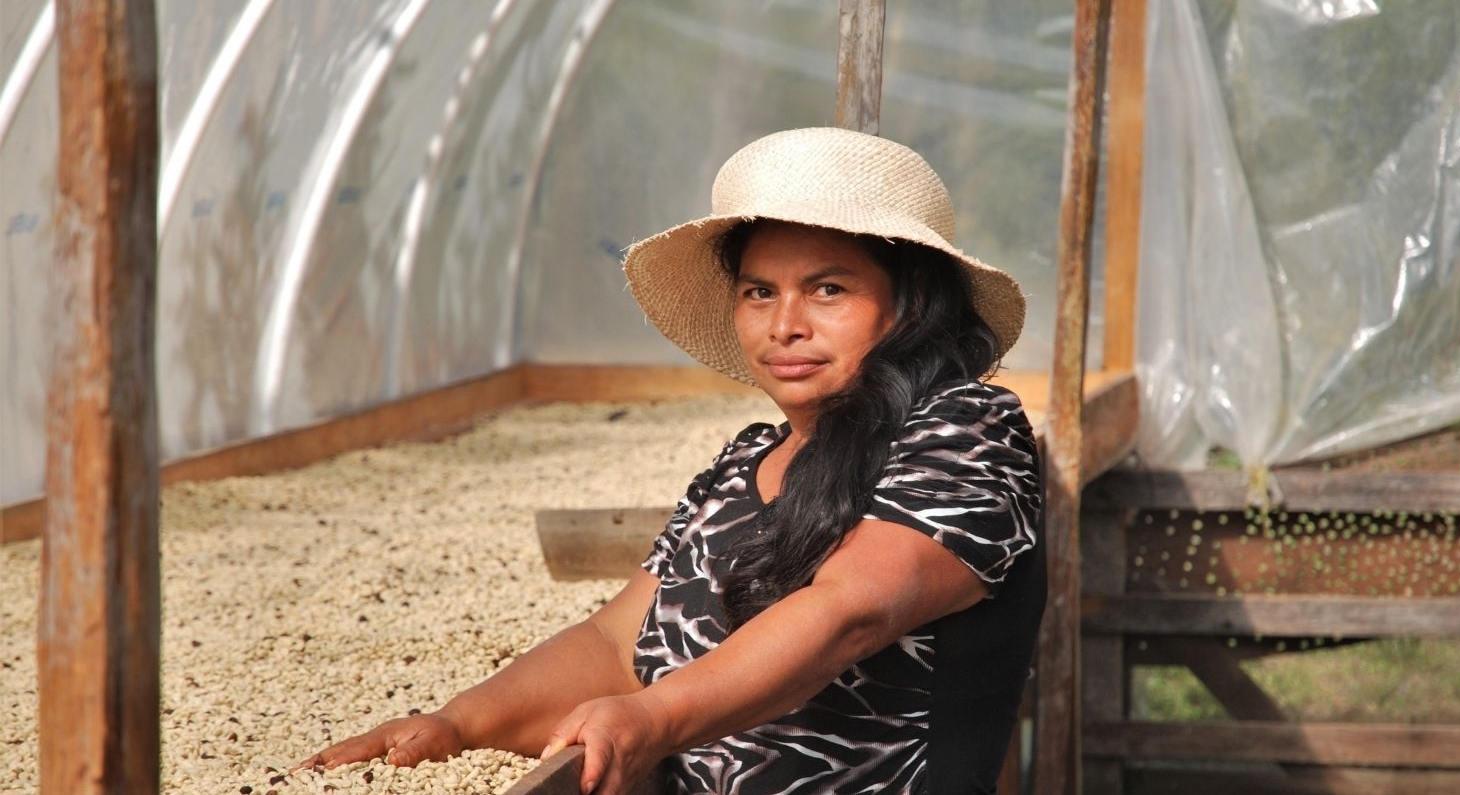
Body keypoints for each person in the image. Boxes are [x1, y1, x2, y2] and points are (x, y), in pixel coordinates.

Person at [300, 127, 1045, 795]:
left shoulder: (966, 430)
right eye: (760, 291)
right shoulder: (741, 466)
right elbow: (612, 644)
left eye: (829, 289)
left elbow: (852, 608)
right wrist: (457, 726)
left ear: (908, 306)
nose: (785, 324)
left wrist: (653, 717)